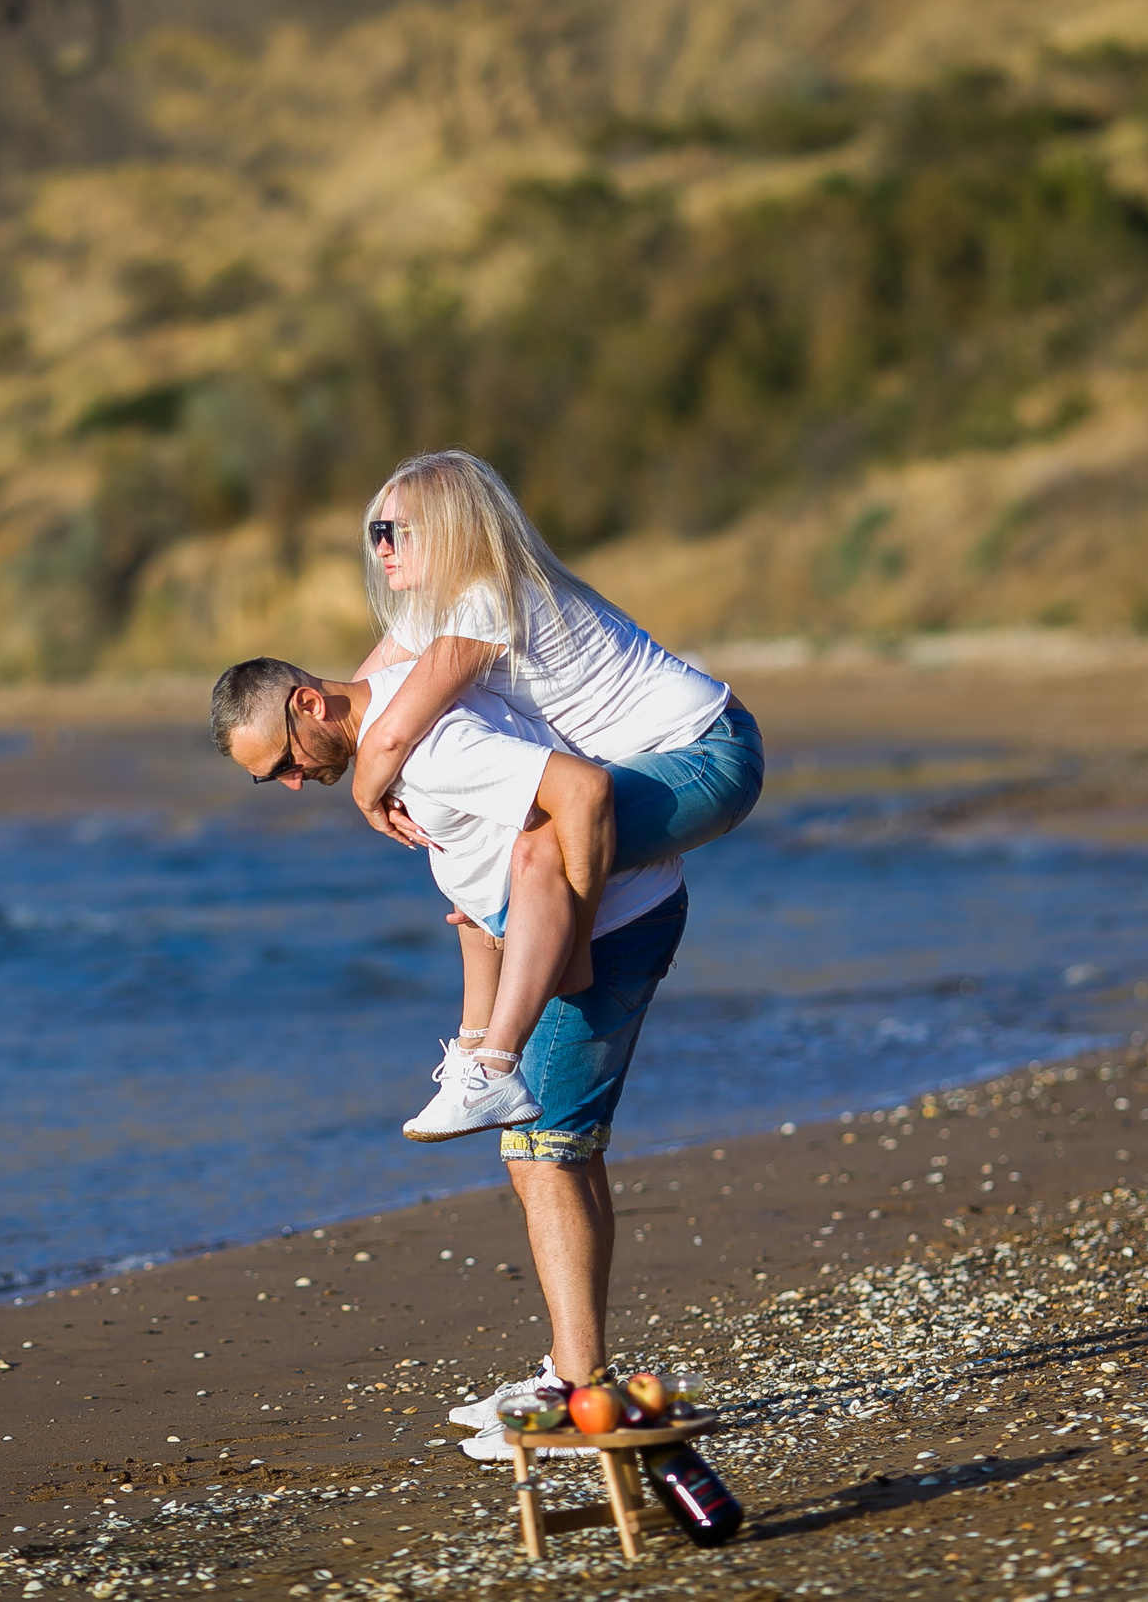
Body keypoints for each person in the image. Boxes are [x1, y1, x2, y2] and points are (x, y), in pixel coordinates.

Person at [212, 654, 689, 1460]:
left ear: (309, 703)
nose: (294, 782)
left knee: (545, 1149)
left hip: (609, 930)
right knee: (556, 1150)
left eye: (285, 762)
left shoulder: (429, 746)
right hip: (582, 929)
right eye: (275, 779)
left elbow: (579, 794)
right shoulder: (397, 737)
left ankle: (577, 1391)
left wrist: (572, 936)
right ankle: (574, 1373)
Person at [346, 451, 764, 1119]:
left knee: (536, 854)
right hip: (679, 754)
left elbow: (389, 735)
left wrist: (367, 795)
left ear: (454, 529)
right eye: (376, 534)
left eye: (395, 531)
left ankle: (499, 1055)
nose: (382, 549)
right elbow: (363, 706)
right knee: (499, 871)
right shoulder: (432, 613)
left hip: (712, 751)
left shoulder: (486, 599)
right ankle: (480, 1042)